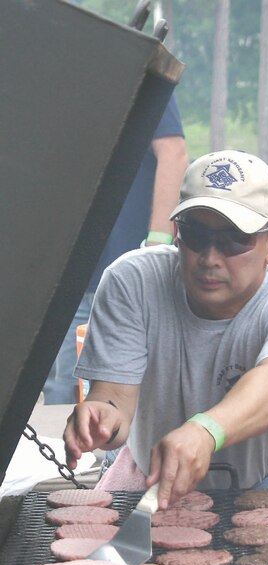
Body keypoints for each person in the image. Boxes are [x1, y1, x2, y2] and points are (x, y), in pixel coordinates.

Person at [63, 149, 268, 509]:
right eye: (196, 235)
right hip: (146, 482)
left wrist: (206, 432)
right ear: (177, 233)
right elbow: (114, 397)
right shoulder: (133, 282)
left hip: (262, 485)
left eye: (234, 239)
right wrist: (102, 417)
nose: (210, 258)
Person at [43, 93, 188, 405]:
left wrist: (158, 244)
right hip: (68, 273)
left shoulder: (143, 71)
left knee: (128, 388)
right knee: (63, 389)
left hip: (126, 267)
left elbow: (173, 152)